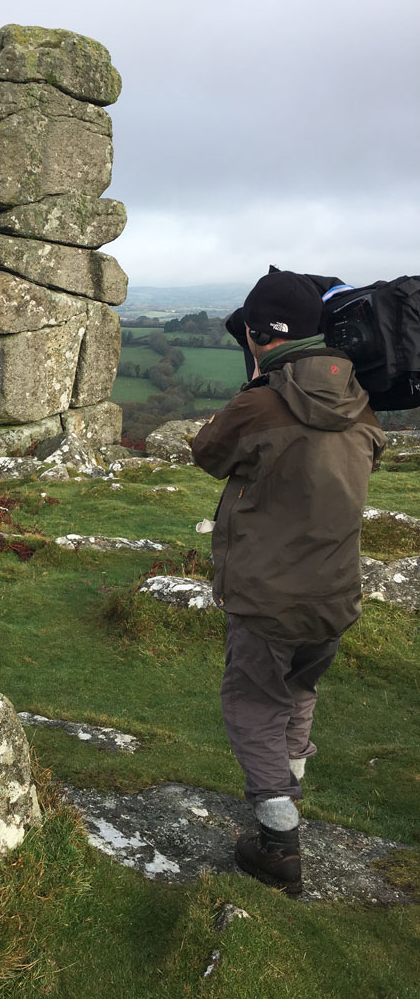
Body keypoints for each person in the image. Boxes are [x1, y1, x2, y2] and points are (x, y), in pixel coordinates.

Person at [191, 270, 386, 895]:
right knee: (301, 689)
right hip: (335, 593)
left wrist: (254, 391)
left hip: (268, 593)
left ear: (254, 332)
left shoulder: (260, 401)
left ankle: (277, 842)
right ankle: (289, 792)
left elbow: (208, 454)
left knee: (252, 702)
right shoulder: (357, 397)